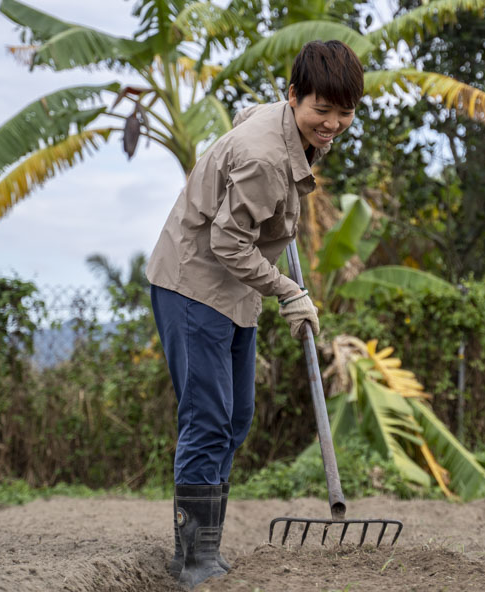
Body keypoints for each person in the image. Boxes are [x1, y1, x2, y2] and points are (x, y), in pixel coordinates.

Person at [145, 40, 364, 587]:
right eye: (322, 109)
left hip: (235, 290)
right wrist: (290, 291)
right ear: (293, 97)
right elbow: (226, 241)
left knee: (236, 417)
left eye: (345, 111)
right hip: (194, 283)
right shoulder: (265, 156)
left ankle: (206, 549)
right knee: (209, 419)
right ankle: (193, 558)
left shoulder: (296, 129)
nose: (333, 124)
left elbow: (248, 121)